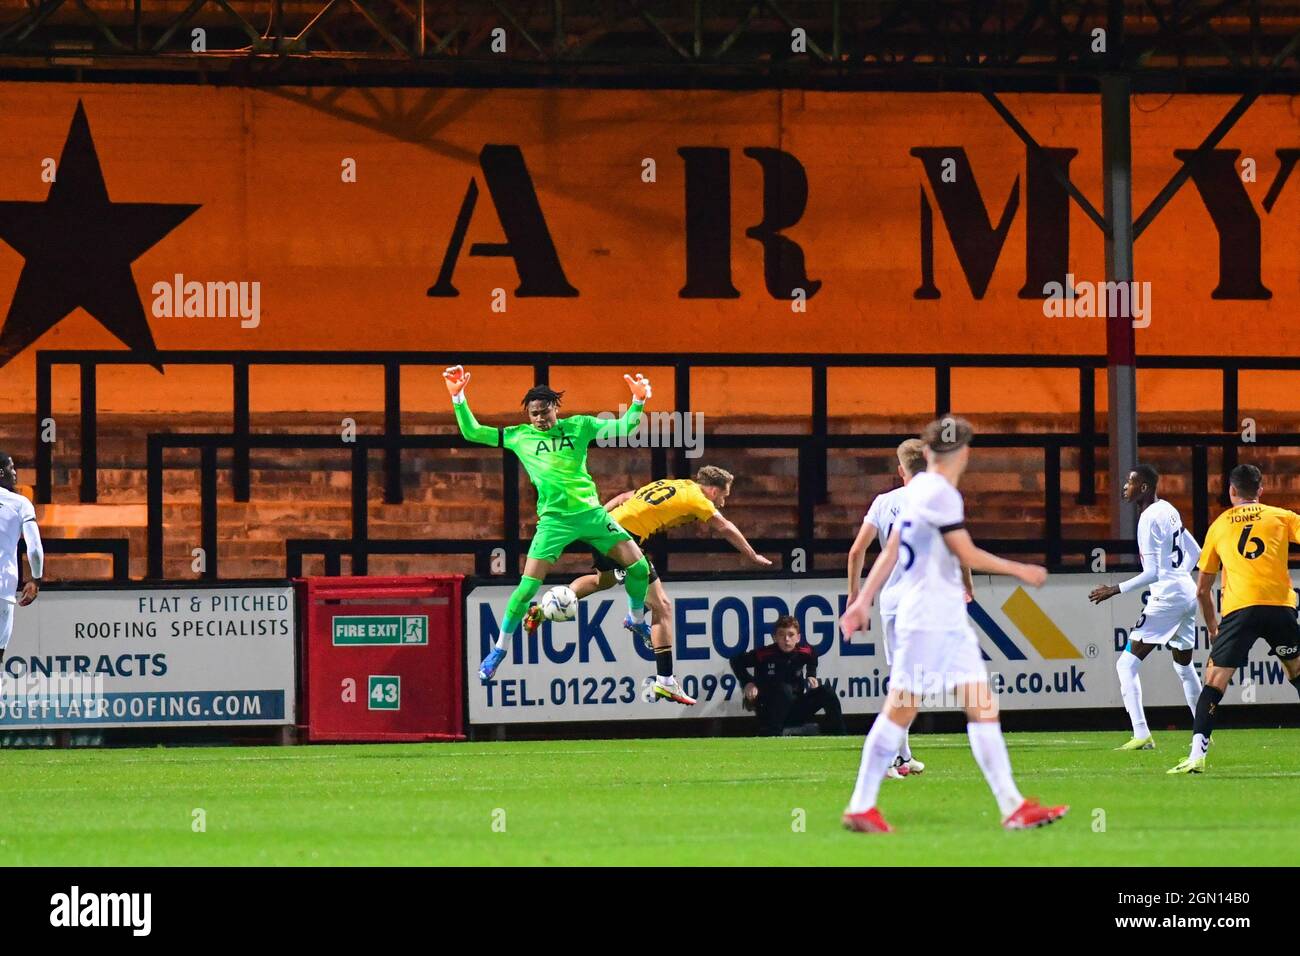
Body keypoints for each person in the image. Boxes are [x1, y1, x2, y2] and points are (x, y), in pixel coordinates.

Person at [839, 416, 1068, 833]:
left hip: (939, 616)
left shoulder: (917, 492)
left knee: (980, 705)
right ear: (964, 453)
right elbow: (965, 551)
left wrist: (863, 600)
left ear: (927, 454)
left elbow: (889, 551)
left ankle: (1012, 804)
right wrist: (1019, 569)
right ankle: (860, 803)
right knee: (901, 708)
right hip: (929, 618)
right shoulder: (942, 493)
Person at [443, 366, 655, 682]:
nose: (540, 418)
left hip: (592, 515)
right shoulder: (519, 436)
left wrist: (638, 402)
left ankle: (636, 618)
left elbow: (625, 427)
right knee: (526, 588)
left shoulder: (580, 426)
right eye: (534, 414)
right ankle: (499, 650)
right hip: (554, 522)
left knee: (639, 569)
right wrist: (458, 397)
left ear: (556, 407)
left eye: (544, 411)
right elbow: (473, 432)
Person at [568, 466, 772, 705]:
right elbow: (725, 527)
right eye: (724, 497)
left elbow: (624, 497)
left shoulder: (678, 484)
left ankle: (556, 600)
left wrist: (598, 521)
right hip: (626, 537)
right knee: (663, 607)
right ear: (714, 491)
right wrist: (752, 554)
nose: (723, 503)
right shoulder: (698, 499)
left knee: (603, 580)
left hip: (607, 527)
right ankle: (665, 679)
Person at [848, 437, 974, 778]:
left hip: (891, 602)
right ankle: (887, 756)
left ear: (900, 469)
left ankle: (900, 756)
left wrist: (856, 595)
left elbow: (857, 552)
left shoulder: (883, 502)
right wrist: (966, 583)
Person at [1169, 464, 1300, 774]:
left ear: (1231, 491)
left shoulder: (1219, 525)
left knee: (1214, 681)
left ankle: (1197, 755)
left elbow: (1202, 589)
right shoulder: (1281, 516)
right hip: (1280, 607)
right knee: (1296, 671)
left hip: (1240, 610)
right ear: (1261, 490)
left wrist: (1213, 627)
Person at [1088, 464, 1203, 750]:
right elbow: (1196, 552)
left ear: (1143, 488)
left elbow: (1152, 573)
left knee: (1125, 664)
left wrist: (1115, 589)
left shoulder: (1147, 519)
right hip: (1188, 593)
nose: (1124, 487)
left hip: (1166, 599)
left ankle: (1142, 734)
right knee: (1185, 666)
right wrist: (1178, 578)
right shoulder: (1169, 509)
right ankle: (1204, 732)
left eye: (1129, 482)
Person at [729, 615, 845, 735]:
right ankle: (772, 733)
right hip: (770, 711)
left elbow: (812, 655)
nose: (787, 639)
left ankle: (840, 735)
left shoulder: (803, 651)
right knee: (784, 689)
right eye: (781, 635)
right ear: (775, 637)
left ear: (798, 637)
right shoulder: (764, 654)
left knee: (827, 691)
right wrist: (748, 683)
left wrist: (811, 674)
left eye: (791, 635)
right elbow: (736, 661)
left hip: (795, 708)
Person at [0, 452, 43, 665]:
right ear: (1, 472)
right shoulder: (20, 504)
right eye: (11, 468)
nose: (15, 473)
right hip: (2, 589)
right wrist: (36, 579)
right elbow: (34, 548)